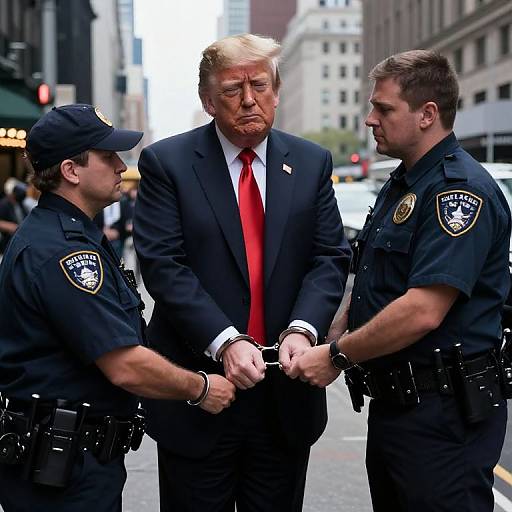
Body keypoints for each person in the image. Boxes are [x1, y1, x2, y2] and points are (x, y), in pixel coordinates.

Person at [133, 34, 351, 511]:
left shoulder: (312, 162)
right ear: (208, 101)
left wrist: (304, 327)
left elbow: (329, 257)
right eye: (233, 89)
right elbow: (165, 267)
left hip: (284, 397)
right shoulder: (167, 164)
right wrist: (226, 341)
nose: (249, 99)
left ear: (277, 90)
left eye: (260, 84)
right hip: (202, 392)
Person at [290, 49, 511, 512]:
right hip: (399, 408)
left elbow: (423, 310)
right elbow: (376, 277)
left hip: (444, 417)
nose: (371, 119)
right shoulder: (402, 185)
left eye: (384, 109)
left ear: (427, 114)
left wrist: (336, 355)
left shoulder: (458, 192)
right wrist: (334, 328)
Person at [0, 104, 235, 512]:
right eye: (107, 157)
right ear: (71, 170)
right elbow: (124, 363)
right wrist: (200, 387)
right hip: (63, 473)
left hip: (72, 461)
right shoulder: (63, 253)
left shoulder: (71, 236)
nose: (119, 166)